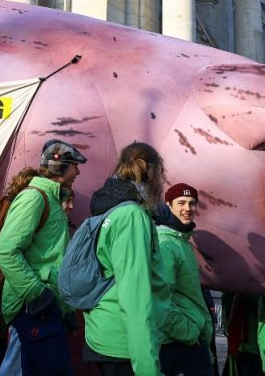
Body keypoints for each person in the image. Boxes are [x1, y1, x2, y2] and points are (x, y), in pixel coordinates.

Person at [0, 139, 87, 375]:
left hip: (46, 306)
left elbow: (52, 261)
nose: (78, 171)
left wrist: (65, 311)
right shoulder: (34, 198)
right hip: (33, 308)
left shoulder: (54, 201)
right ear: (60, 167)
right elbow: (6, 251)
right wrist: (37, 294)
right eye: (74, 165)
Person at [83, 141, 166, 376]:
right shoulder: (132, 216)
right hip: (125, 343)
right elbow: (135, 294)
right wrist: (147, 368)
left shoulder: (111, 209)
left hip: (106, 332)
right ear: (154, 173)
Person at [155, 183, 214, 376]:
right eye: (181, 203)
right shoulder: (166, 243)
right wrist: (188, 332)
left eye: (192, 203)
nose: (187, 209)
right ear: (169, 205)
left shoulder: (181, 242)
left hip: (187, 341)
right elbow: (161, 298)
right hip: (177, 344)